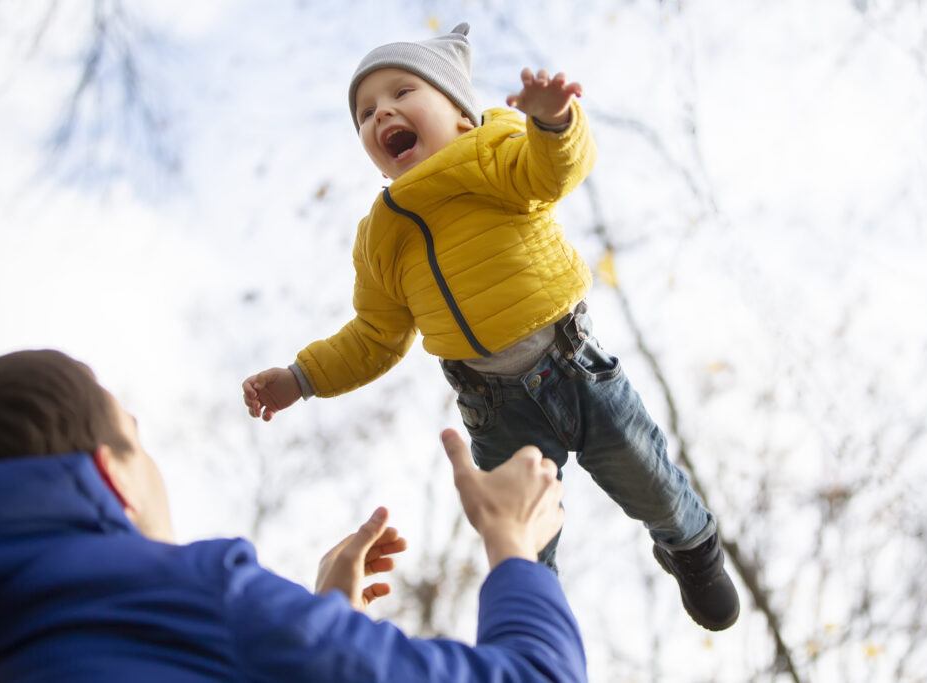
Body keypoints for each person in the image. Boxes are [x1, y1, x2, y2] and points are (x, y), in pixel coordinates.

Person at [241, 22, 739, 631]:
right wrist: (300, 377)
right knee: (521, 543)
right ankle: (534, 633)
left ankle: (693, 549)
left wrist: (553, 122)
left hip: (573, 366)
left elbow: (550, 171)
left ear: (460, 116)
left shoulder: (494, 158)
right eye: (366, 112)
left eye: (402, 93)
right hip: (494, 406)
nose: (381, 114)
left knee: (648, 478)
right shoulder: (382, 235)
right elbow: (374, 335)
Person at [0, 349, 586, 682]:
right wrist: (512, 542)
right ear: (111, 475)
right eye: (136, 441)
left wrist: (326, 625)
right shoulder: (199, 596)